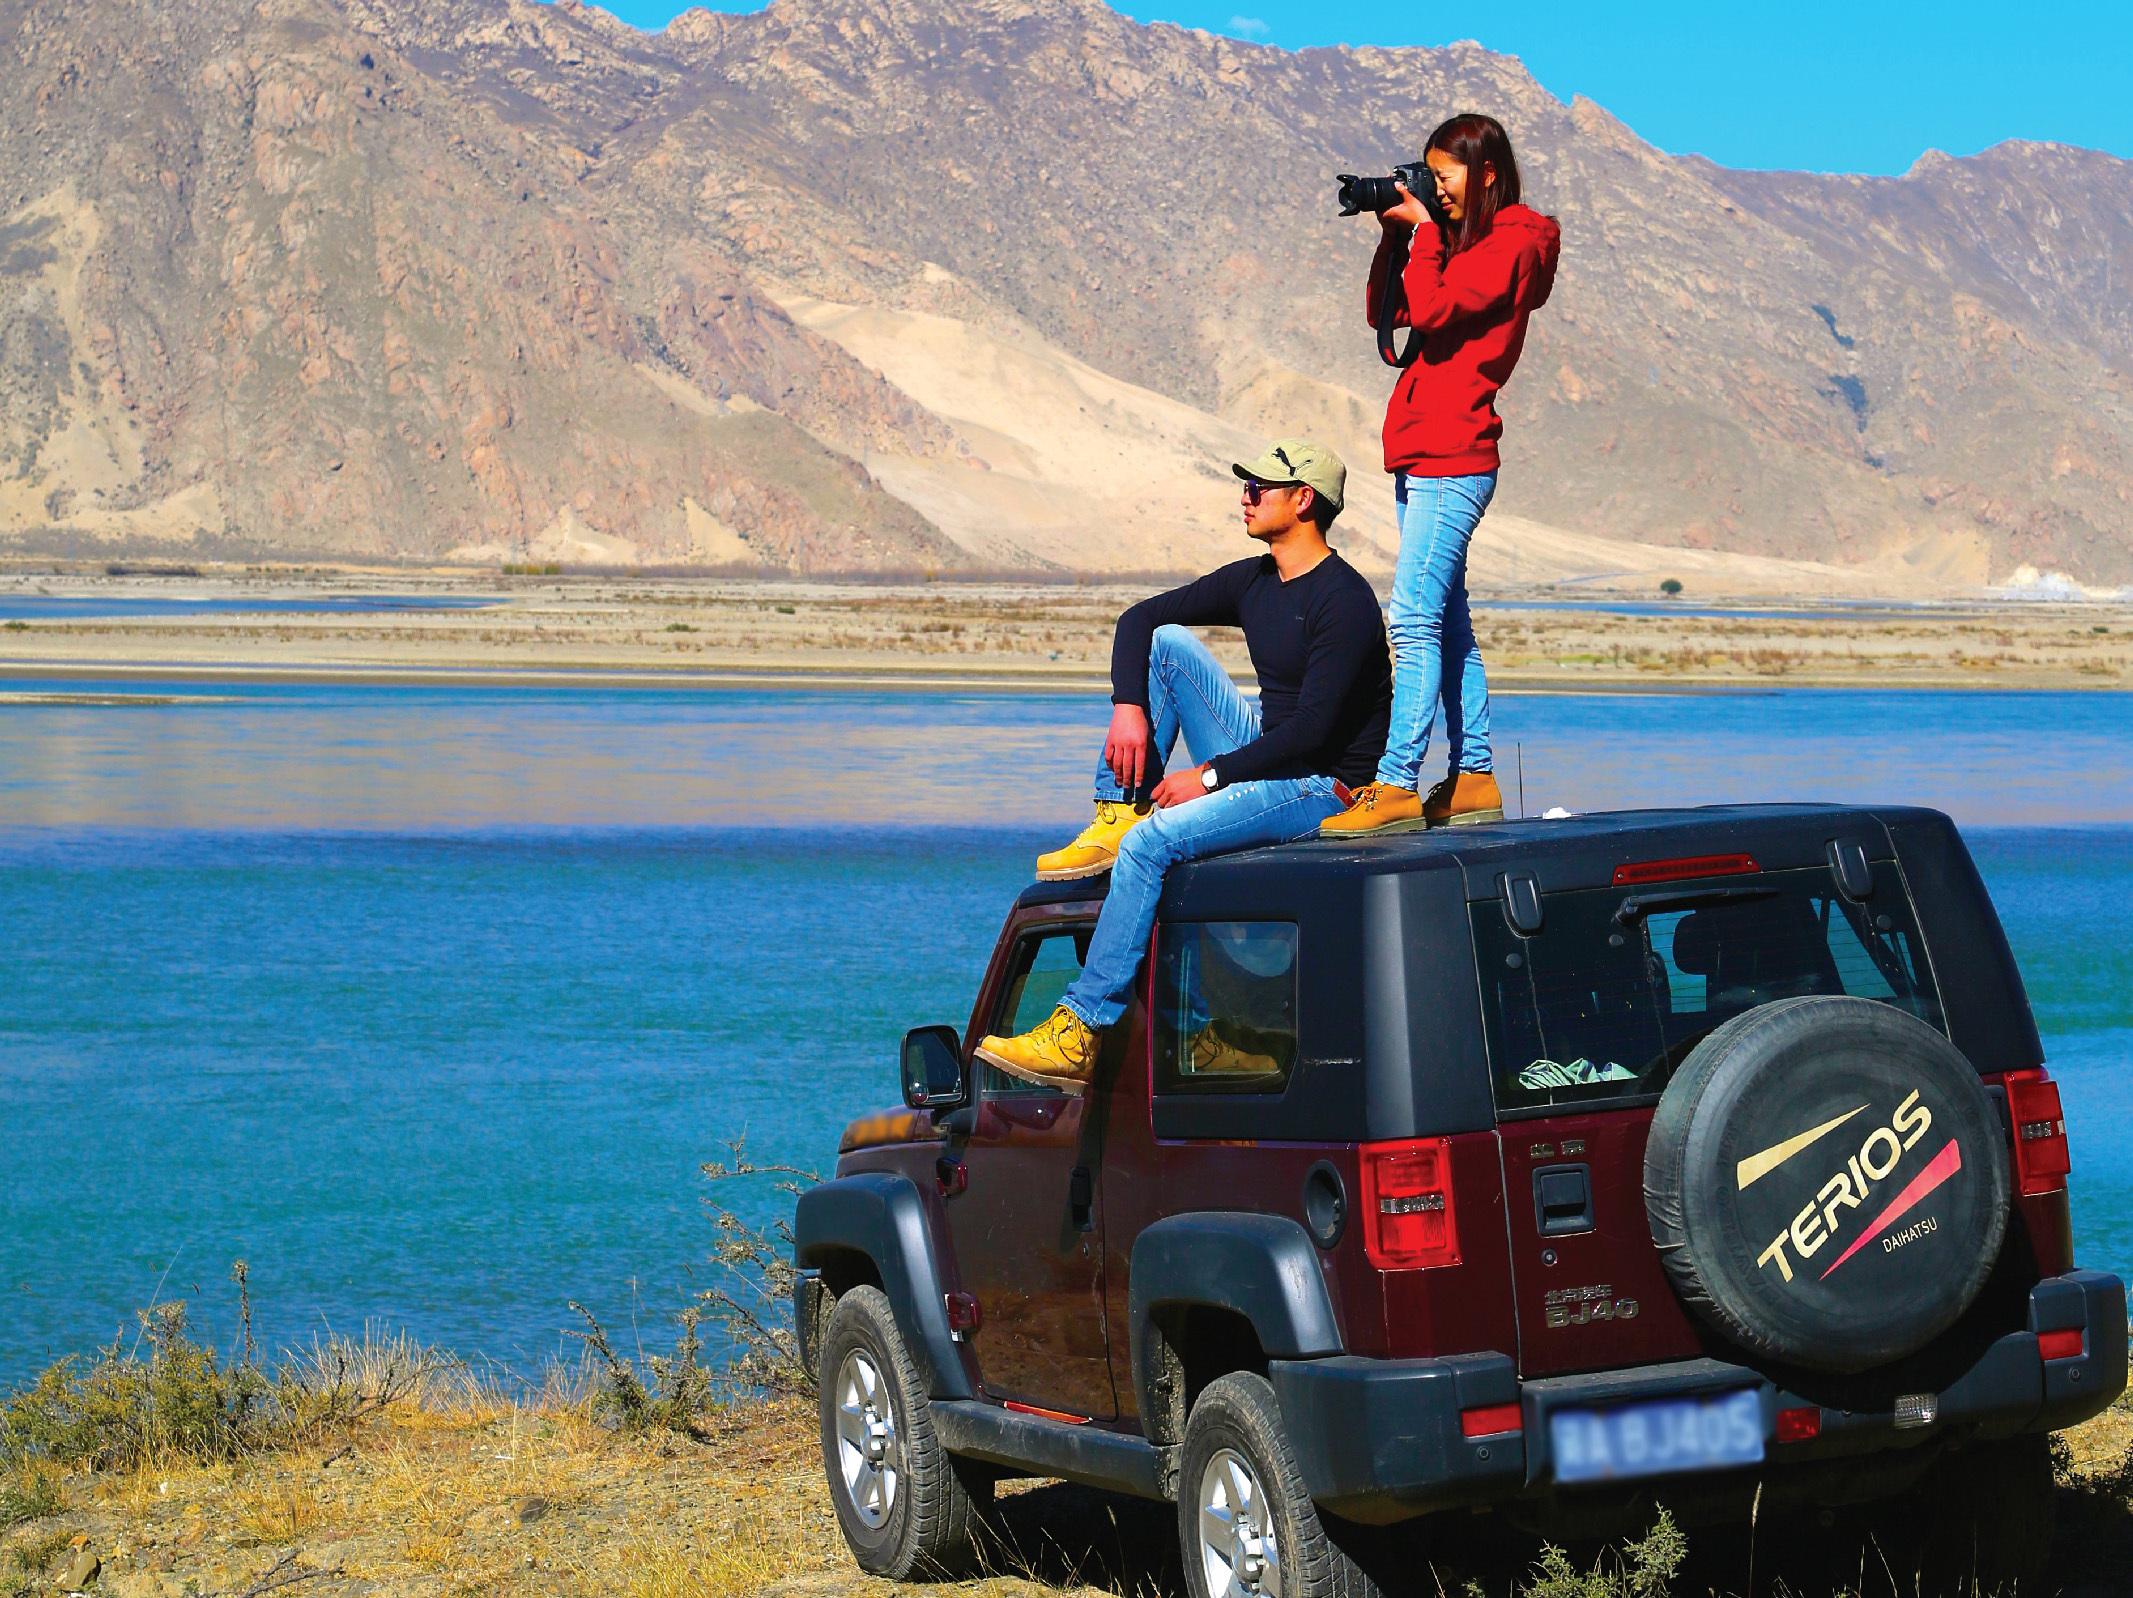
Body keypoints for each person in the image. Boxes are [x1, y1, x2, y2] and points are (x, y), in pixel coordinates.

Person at [975, 439, 1392, 1093]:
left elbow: (1313, 733)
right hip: (1271, 761)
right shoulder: (1255, 581)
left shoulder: (1345, 601)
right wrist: (1128, 708)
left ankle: (1080, 1029)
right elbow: (1139, 618)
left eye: (1259, 487)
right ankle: (1114, 810)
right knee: (1167, 644)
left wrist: (1208, 777)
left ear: (1303, 500)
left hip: (1325, 788)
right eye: (1245, 485)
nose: (1245, 496)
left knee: (1152, 845)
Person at [1321, 113, 1560, 836]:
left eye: (1444, 177)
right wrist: (1400, 232)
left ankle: (1395, 783)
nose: (1438, 191)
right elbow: (1390, 312)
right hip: (1424, 449)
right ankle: (1474, 779)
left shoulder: (1513, 244)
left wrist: (1426, 234)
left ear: (1485, 172)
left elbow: (1434, 305)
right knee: (1447, 624)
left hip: (1455, 453)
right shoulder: (1457, 244)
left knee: (1414, 620)